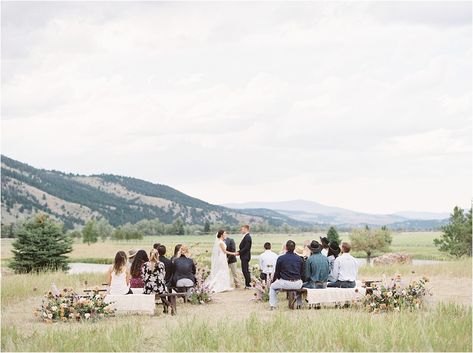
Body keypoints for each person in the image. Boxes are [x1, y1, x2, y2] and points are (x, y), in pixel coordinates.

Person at [269, 240, 304, 310]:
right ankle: (299, 304)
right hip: (297, 283)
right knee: (300, 286)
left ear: (286, 248)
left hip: (285, 282)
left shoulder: (281, 258)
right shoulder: (299, 259)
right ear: (294, 248)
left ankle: (273, 305)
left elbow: (277, 272)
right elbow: (302, 272)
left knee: (272, 287)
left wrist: (276, 280)